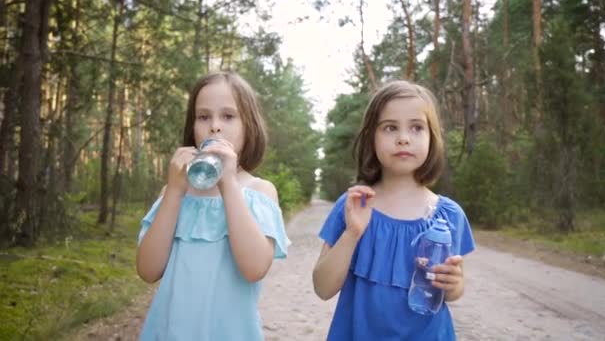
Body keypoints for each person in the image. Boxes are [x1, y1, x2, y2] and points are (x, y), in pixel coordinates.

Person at [312, 80, 475, 340]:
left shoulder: (449, 215)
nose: (403, 138)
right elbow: (322, 287)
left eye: (417, 128)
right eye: (390, 128)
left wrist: (454, 285)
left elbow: (453, 290)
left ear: (432, 138)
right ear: (371, 138)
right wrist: (352, 233)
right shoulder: (353, 204)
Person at [136, 71, 290, 340]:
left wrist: (228, 183)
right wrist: (174, 192)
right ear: (192, 126)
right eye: (203, 116)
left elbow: (254, 269)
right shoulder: (174, 191)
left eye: (228, 116)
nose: (215, 126)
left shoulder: (258, 191)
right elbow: (148, 270)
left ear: (249, 126)